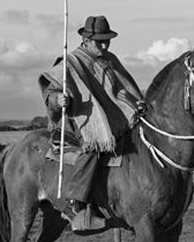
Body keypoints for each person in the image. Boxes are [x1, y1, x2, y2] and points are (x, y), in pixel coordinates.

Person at [38, 15, 145, 227]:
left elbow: (124, 87)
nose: (104, 45)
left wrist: (135, 102)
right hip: (81, 121)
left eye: (107, 40)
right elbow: (50, 91)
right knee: (96, 144)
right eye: (99, 41)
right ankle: (75, 204)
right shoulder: (71, 63)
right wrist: (58, 100)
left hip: (114, 117)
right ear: (86, 40)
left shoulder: (111, 60)